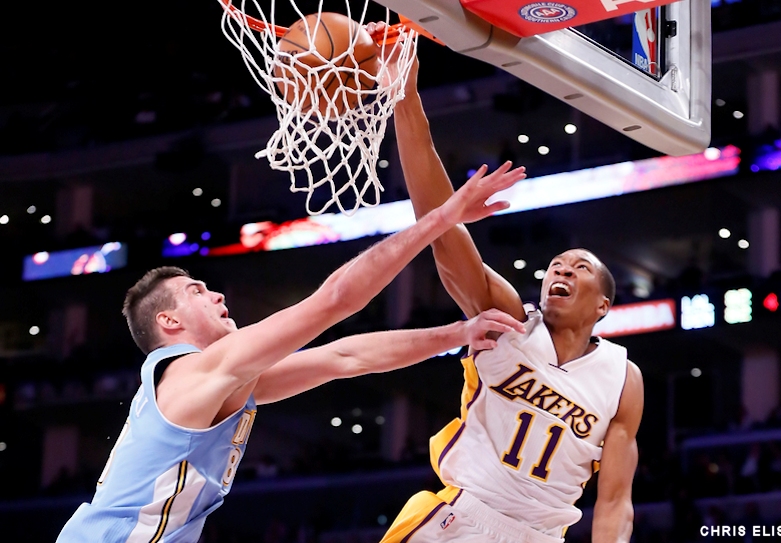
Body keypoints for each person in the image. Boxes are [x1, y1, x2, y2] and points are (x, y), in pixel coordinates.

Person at [55, 162, 528, 543]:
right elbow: (336, 301)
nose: (218, 296)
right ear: (169, 322)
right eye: (197, 291)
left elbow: (344, 358)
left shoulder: (223, 382)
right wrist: (444, 217)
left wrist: (458, 333)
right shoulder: (198, 373)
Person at [380, 58, 644, 543]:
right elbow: (442, 231)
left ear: (602, 306)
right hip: (459, 519)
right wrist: (406, 97)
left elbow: (614, 500)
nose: (562, 270)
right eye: (557, 265)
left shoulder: (623, 377)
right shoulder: (505, 319)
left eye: (580, 267)